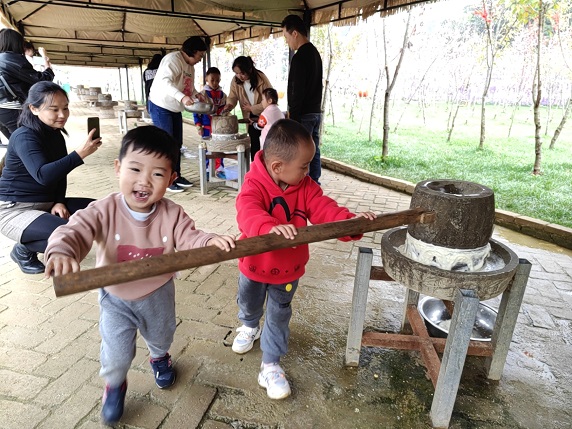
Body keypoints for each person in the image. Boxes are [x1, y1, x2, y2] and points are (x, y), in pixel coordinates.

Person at [44, 125, 236, 426]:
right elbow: (75, 230)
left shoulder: (172, 214)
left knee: (161, 336)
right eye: (135, 169)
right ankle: (115, 384)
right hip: (115, 297)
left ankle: (160, 357)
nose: (144, 181)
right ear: (118, 167)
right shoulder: (103, 210)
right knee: (116, 353)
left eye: (158, 174)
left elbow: (190, 237)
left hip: (158, 294)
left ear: (171, 179)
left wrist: (209, 241)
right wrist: (62, 251)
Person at [231, 119, 376, 399]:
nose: (308, 170)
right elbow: (246, 210)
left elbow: (325, 209)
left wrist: (350, 222)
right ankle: (249, 326)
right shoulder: (254, 184)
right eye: (304, 165)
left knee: (279, 313)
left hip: (288, 270)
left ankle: (270, 365)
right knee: (249, 302)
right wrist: (267, 227)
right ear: (277, 167)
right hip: (253, 266)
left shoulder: (306, 187)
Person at [0, 81, 102, 274]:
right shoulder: (24, 136)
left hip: (46, 204)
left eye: (65, 108)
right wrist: (79, 154)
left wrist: (59, 202)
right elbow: (43, 176)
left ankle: (28, 242)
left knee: (101, 212)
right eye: (54, 109)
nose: (62, 115)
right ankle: (24, 249)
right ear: (34, 108)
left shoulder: (55, 135)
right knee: (72, 234)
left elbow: (59, 174)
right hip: (14, 210)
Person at [148, 36, 208, 193]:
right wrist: (182, 97)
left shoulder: (190, 67)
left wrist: (196, 95)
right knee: (166, 145)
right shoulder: (172, 60)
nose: (200, 59)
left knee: (177, 144)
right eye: (200, 55)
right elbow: (164, 83)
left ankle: (176, 176)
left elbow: (188, 87)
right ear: (193, 51)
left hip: (174, 108)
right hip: (161, 106)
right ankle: (164, 181)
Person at [281, 14, 323, 184]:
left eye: (286, 36)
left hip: (303, 115)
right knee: (314, 150)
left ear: (295, 33)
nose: (287, 42)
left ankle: (304, 187)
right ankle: (315, 184)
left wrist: (293, 118)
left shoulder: (299, 57)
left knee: (300, 152)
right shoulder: (314, 53)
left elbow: (296, 91)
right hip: (315, 112)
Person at [0, 28, 55, 140]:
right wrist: (47, 66)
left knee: (17, 142)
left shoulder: (3, 59)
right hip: (13, 108)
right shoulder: (10, 58)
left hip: (4, 109)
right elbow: (41, 81)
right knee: (27, 141)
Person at [221, 56, 273, 161]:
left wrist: (253, 108)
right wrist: (229, 105)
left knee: (267, 142)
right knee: (254, 142)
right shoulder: (236, 81)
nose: (239, 76)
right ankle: (255, 166)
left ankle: (267, 166)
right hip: (250, 116)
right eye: (236, 73)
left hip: (264, 114)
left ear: (249, 69)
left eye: (242, 73)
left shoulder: (261, 78)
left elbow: (270, 99)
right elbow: (232, 96)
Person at [193, 66, 226, 175]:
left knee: (220, 148)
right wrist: (199, 126)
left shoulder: (223, 95)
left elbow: (225, 110)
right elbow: (196, 112)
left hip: (220, 128)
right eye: (212, 80)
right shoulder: (201, 95)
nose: (215, 83)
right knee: (207, 149)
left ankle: (219, 169)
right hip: (207, 128)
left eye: (217, 80)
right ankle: (207, 170)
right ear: (206, 79)